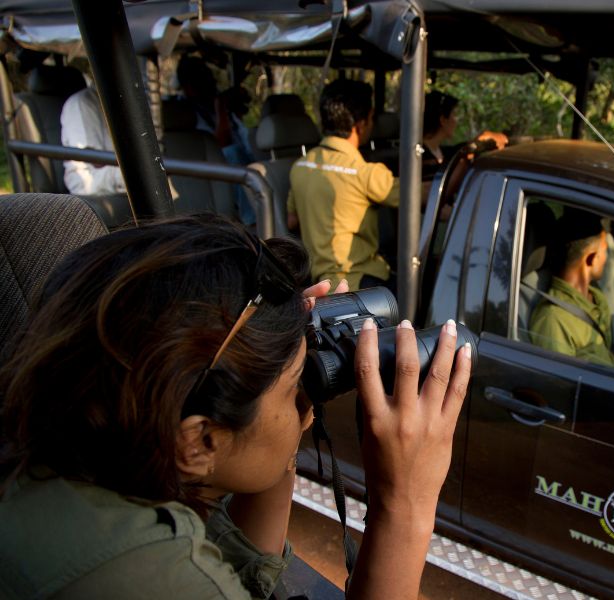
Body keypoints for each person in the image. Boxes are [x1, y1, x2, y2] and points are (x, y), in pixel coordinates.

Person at [0, 215, 472, 599]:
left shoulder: (73, 464)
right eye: (292, 393)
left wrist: (281, 363)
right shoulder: (150, 576)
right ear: (199, 442)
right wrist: (403, 501)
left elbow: (248, 579)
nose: (300, 403)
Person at [287, 79, 400, 291]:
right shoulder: (365, 173)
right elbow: (419, 197)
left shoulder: (300, 165)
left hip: (318, 281)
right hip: (361, 283)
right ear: (362, 123)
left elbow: (292, 221)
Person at [529, 212, 614, 367]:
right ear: (591, 258)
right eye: (604, 251)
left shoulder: (595, 296)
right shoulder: (554, 319)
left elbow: (604, 352)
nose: (606, 258)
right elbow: (557, 385)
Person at [177, 56, 256, 225]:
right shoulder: (190, 117)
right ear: (188, 87)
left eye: (210, 78)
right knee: (232, 153)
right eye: (204, 79)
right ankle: (254, 220)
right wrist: (221, 107)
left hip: (238, 173)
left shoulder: (218, 111)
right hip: (214, 173)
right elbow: (221, 146)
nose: (211, 84)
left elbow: (244, 138)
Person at [422, 91, 508, 179]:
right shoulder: (420, 157)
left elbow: (462, 150)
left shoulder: (444, 152)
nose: (456, 121)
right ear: (443, 120)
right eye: (454, 115)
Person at [60, 85, 126, 195]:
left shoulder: (119, 100)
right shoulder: (82, 102)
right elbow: (94, 160)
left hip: (111, 168)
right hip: (90, 178)